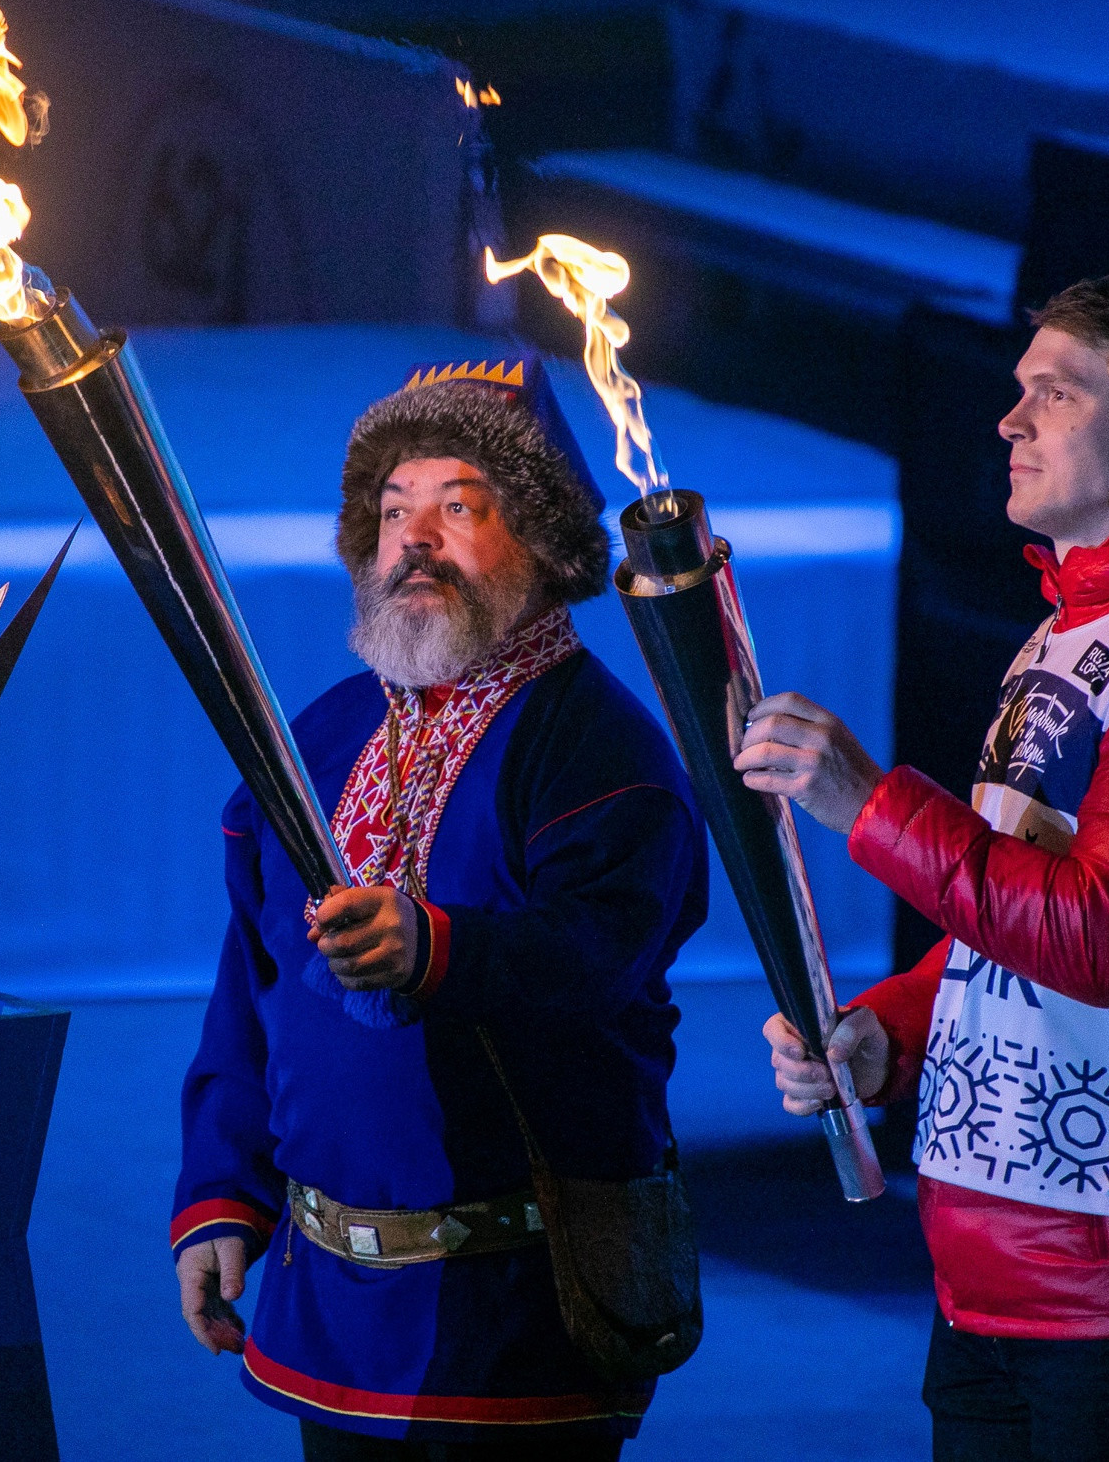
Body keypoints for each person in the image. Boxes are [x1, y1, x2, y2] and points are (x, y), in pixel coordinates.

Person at [741, 276, 1109, 1461]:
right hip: (1002, 1273)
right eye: (1017, 392)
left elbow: (1104, 940)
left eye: (1055, 396)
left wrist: (869, 805)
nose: (1009, 422)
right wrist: (892, 1032)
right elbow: (1007, 936)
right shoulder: (1076, 623)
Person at [171, 357, 708, 1460]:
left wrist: (434, 948)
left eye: (459, 506)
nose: (414, 539)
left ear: (551, 543)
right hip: (330, 1309)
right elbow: (253, 984)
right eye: (391, 508)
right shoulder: (313, 740)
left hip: (518, 1310)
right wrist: (222, 1189)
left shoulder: (600, 751)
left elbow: (598, 960)